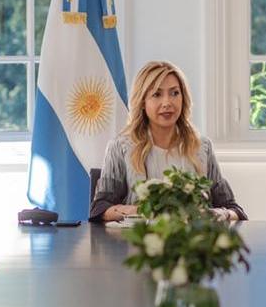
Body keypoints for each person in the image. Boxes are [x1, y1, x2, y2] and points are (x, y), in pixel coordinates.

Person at [90, 61, 247, 222]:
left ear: (183, 98)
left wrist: (222, 214)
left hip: (192, 242)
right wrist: (140, 211)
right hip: (138, 243)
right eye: (157, 94)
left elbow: (235, 210)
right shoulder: (121, 147)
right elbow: (100, 209)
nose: (167, 103)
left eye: (174, 93)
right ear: (142, 102)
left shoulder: (202, 147)